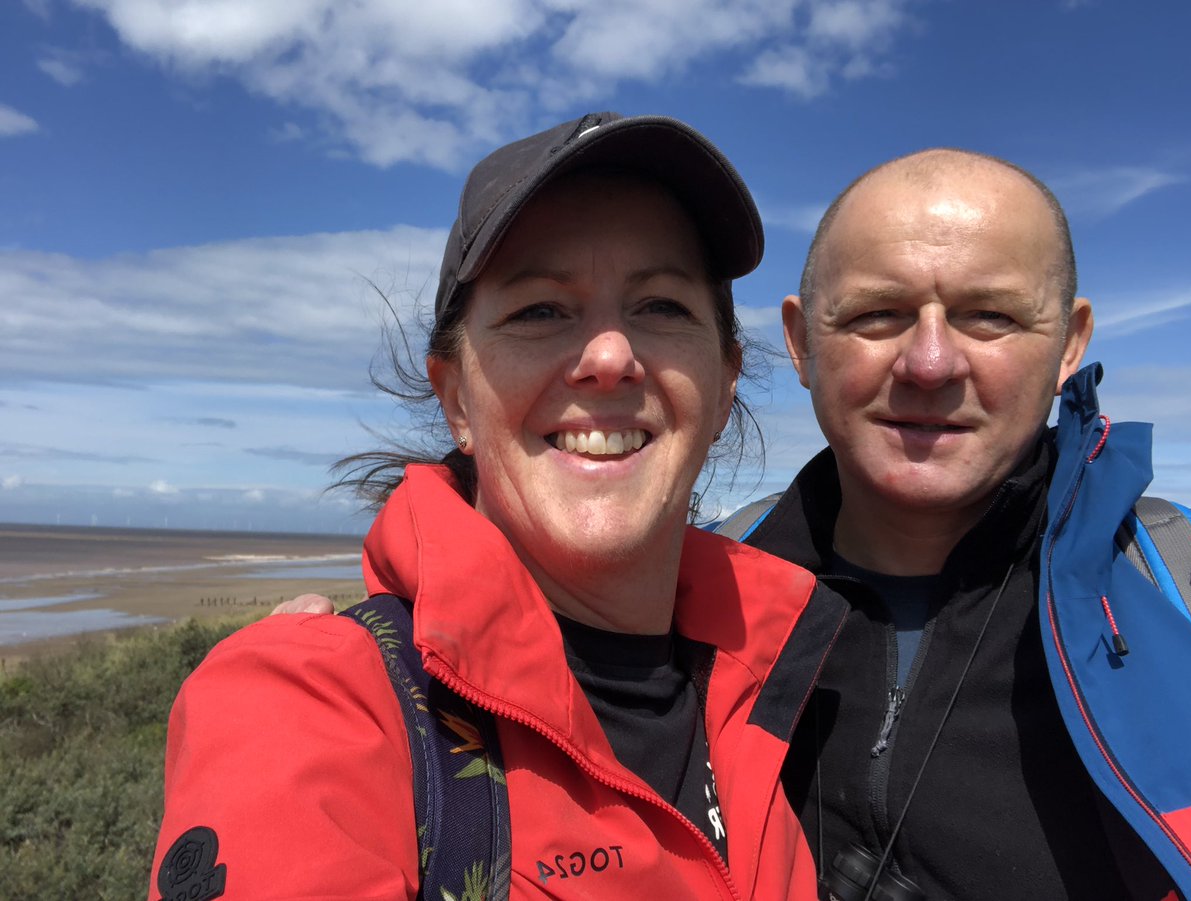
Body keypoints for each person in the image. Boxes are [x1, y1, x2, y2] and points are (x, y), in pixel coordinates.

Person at [147, 113, 847, 900]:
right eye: (540, 310)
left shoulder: (777, 672)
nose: (610, 356)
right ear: (455, 398)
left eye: (661, 305)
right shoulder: (313, 707)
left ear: (723, 386)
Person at [739, 149, 1191, 900]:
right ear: (800, 344)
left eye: (990, 315)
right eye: (875, 314)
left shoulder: (1180, 585)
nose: (928, 362)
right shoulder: (693, 600)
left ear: (1069, 346)